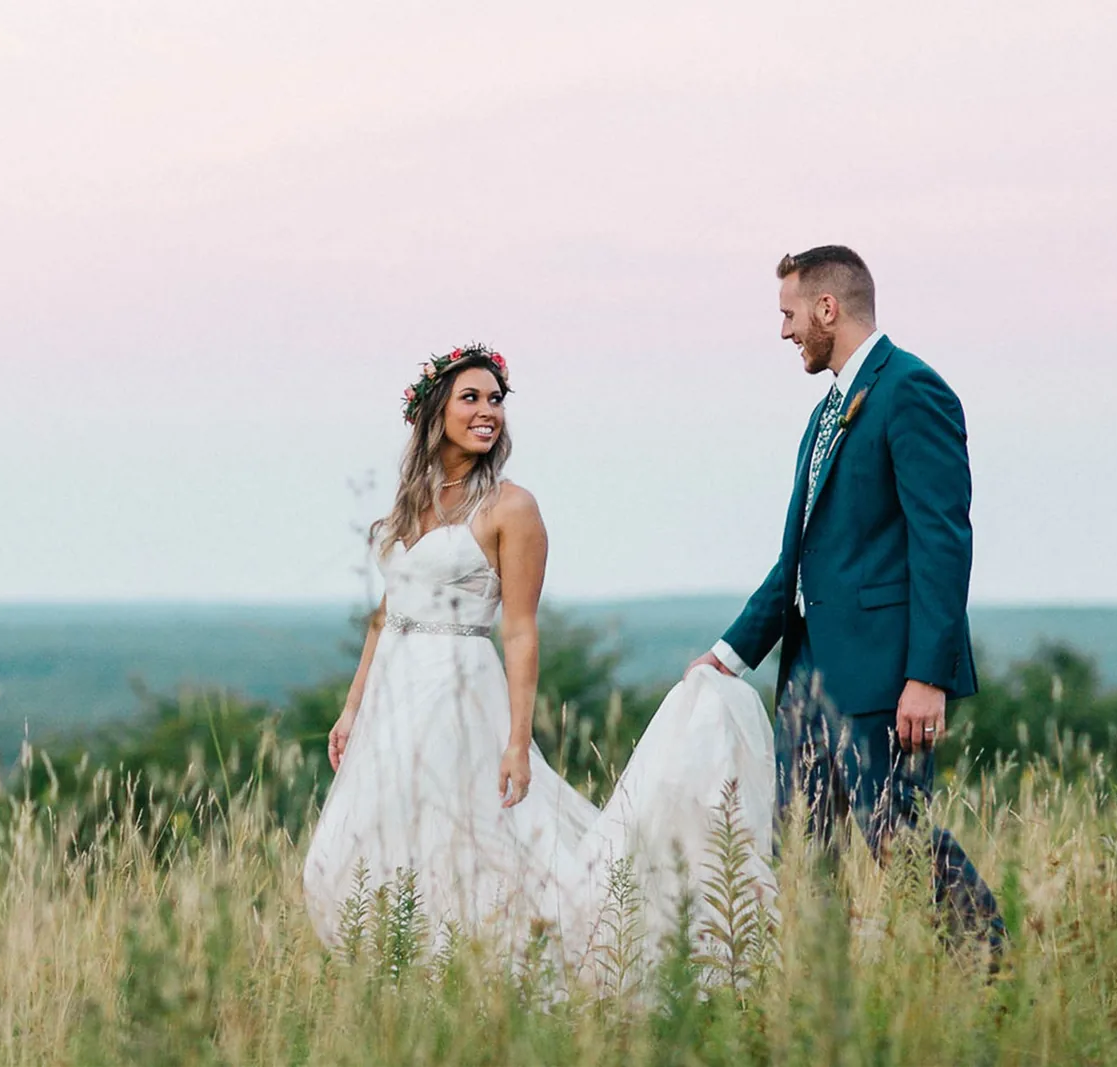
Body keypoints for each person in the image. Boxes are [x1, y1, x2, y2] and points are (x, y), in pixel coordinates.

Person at [302, 344, 776, 969]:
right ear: (434, 411)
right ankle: (400, 972)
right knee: (353, 846)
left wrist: (517, 742)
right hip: (393, 697)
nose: (488, 411)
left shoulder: (511, 507)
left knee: (464, 839)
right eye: (471, 398)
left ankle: (484, 966)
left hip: (459, 693)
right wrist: (352, 707)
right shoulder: (407, 506)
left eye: (495, 400)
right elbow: (385, 614)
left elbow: (521, 632)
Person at [687, 246, 1006, 955]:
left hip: (883, 676)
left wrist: (927, 676)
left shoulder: (912, 390)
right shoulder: (824, 413)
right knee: (802, 852)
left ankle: (990, 971)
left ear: (827, 308)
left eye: (789, 314)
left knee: (897, 836)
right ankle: (817, 991)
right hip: (809, 679)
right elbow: (800, 559)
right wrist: (728, 655)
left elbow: (942, 542)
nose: (784, 331)